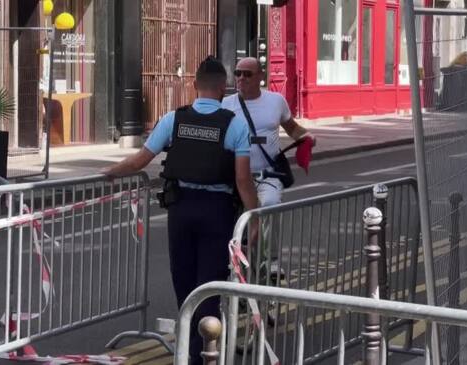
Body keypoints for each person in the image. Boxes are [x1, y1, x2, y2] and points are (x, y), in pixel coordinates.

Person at [101, 56, 258, 364]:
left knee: (184, 283)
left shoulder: (174, 119)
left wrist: (110, 172)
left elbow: (139, 160)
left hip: (181, 209)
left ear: (194, 85)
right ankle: (203, 355)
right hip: (218, 212)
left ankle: (189, 354)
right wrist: (254, 218)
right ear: (223, 89)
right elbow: (243, 180)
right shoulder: (235, 124)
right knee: (210, 285)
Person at [222, 57, 315, 207]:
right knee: (234, 219)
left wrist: (307, 136)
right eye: (237, 73)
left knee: (270, 205)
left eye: (247, 74)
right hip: (236, 176)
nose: (241, 78)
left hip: (268, 174)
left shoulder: (276, 101)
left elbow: (292, 128)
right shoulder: (225, 104)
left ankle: (264, 231)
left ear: (261, 76)